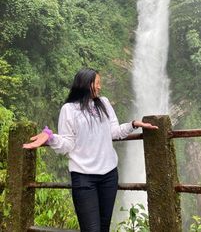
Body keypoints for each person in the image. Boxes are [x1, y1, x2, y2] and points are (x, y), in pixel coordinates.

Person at [23, 68, 158, 232]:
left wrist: (133, 124)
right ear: (86, 84)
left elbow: (114, 132)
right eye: (97, 83)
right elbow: (67, 144)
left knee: (103, 228)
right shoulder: (69, 109)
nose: (100, 87)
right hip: (83, 177)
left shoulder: (104, 103)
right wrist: (49, 136)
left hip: (109, 175)